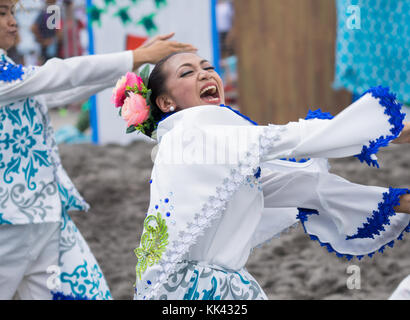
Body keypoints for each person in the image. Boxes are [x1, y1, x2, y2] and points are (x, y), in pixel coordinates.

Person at [114, 52, 410, 300]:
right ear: (166, 104)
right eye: (187, 73)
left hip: (189, 290)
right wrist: (387, 129)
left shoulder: (208, 152)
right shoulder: (192, 134)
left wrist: (401, 202)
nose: (205, 74)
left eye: (208, 67)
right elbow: (291, 138)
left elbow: (305, 187)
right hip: (194, 290)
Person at [0, 0, 197, 300]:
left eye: (12, 12)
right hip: (8, 225)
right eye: (2, 13)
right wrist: (136, 56)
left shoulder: (11, 71)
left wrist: (132, 61)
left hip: (48, 216)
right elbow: (59, 74)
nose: (13, 22)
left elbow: (59, 88)